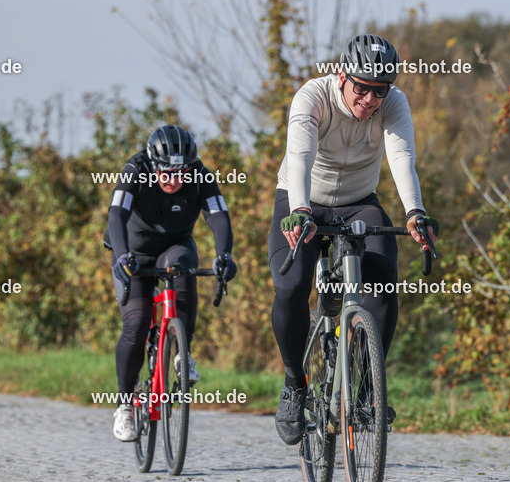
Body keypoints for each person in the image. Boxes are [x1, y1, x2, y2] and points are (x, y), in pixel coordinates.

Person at [268, 34, 438, 445]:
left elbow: (401, 157)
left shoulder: (393, 103)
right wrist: (302, 209)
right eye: (360, 87)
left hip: (359, 202)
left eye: (378, 90)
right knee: (291, 287)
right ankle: (295, 384)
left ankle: (367, 393)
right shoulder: (312, 97)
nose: (368, 98)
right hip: (301, 199)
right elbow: (301, 155)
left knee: (382, 283)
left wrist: (415, 212)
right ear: (341, 76)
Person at [105, 125, 237, 442]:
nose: (172, 180)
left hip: (174, 247)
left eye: (180, 173)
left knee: (183, 269)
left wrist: (224, 256)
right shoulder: (135, 168)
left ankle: (182, 352)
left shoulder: (200, 175)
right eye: (165, 173)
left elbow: (218, 215)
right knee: (136, 324)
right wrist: (122, 256)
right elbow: (116, 214)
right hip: (133, 251)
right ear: (153, 164)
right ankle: (125, 403)